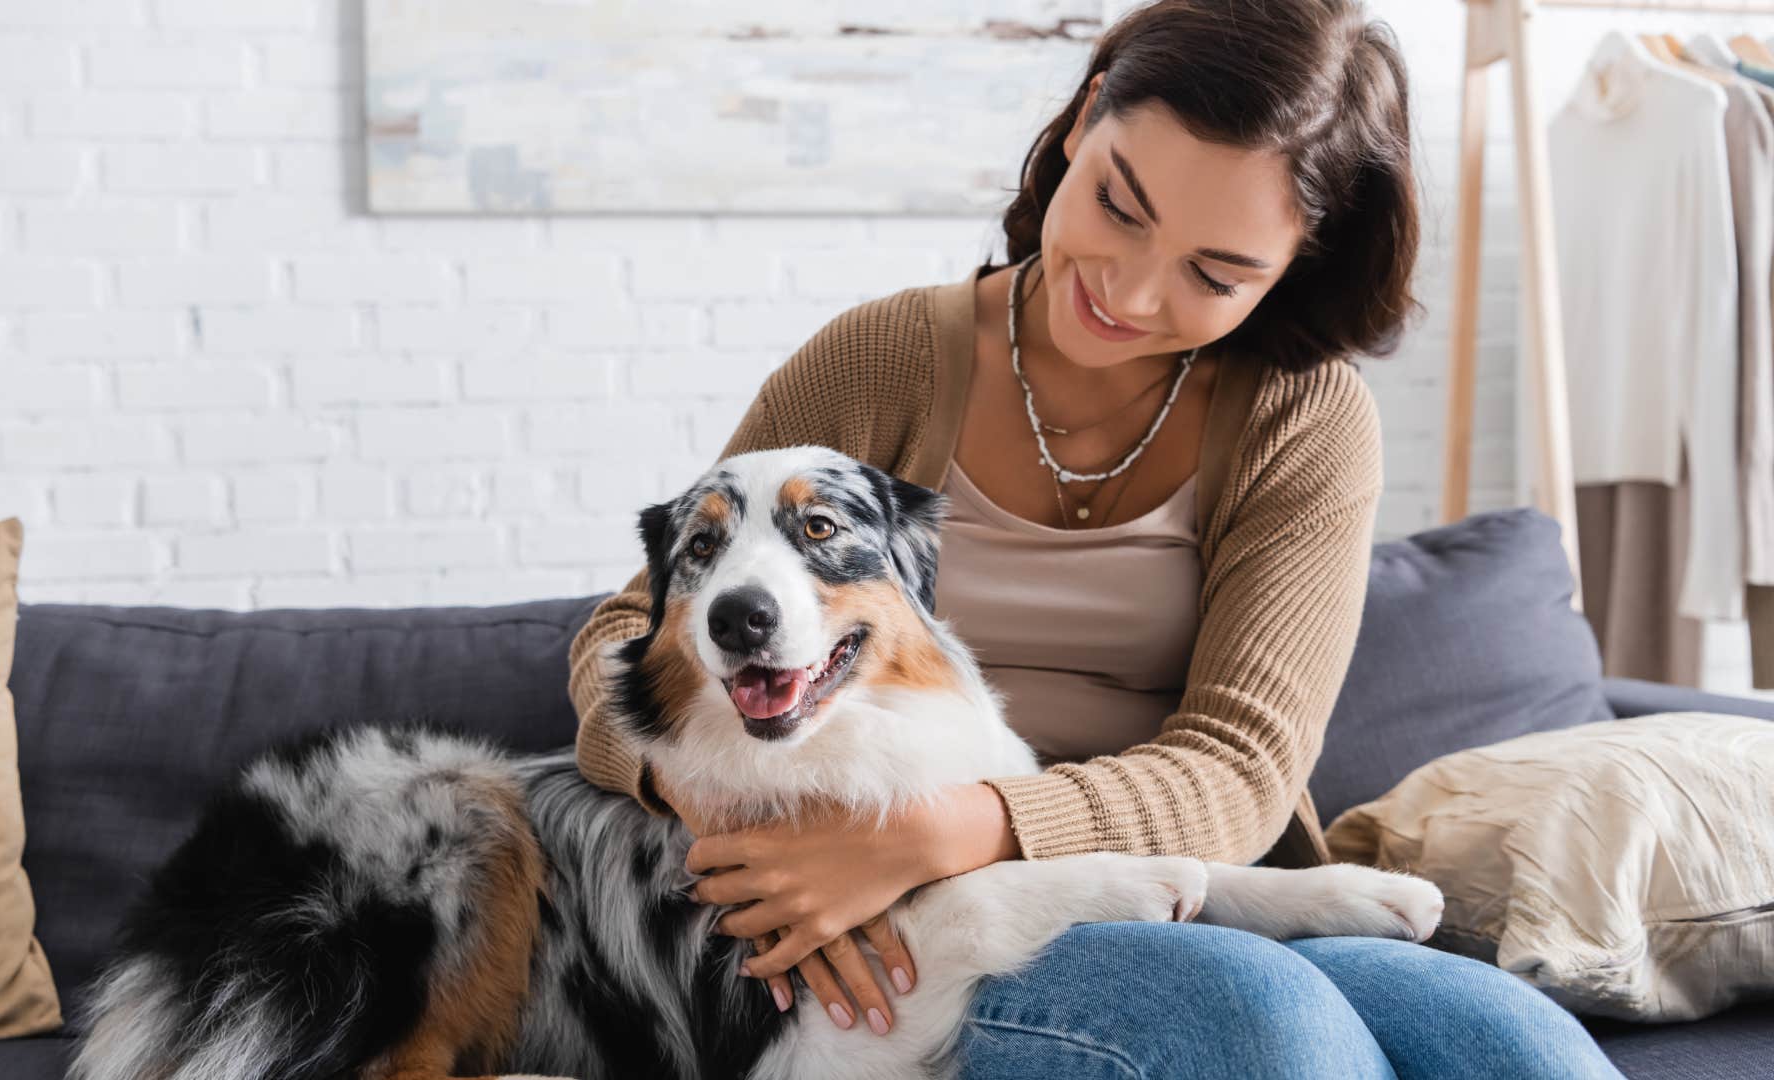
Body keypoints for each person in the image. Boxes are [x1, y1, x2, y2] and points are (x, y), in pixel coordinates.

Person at [566, 0, 1622, 1075]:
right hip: (940, 924)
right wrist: (708, 798)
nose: (1127, 289)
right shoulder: (881, 360)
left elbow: (1242, 765)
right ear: (1080, 121)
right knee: (1269, 1031)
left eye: (1215, 275)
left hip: (1194, 881)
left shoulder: (1301, 418)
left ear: (1298, 266)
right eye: (1119, 206)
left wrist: (946, 828)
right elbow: (627, 626)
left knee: (1520, 1047)